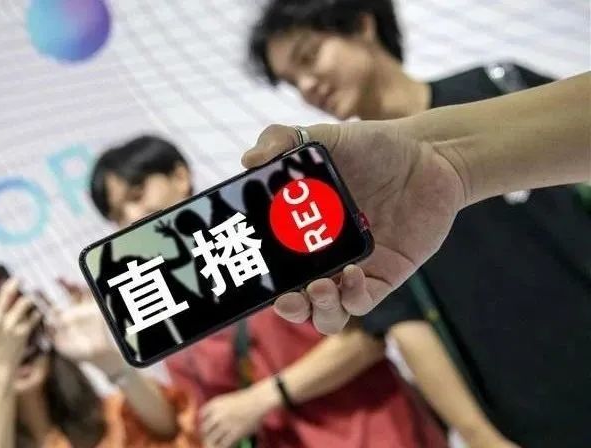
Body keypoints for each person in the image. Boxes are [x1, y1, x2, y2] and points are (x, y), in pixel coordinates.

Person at [242, 72, 591, 447]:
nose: (308, 84)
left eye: (308, 56)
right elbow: (406, 328)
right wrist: (479, 435)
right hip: (532, 411)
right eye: (294, 80)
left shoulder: (494, 79)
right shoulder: (366, 199)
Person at [89, 135, 447, 448]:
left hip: (375, 432)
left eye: (137, 194)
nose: (132, 216)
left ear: (179, 176)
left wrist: (263, 398)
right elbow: (201, 413)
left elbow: (367, 335)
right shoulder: (167, 303)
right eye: (117, 214)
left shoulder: (273, 228)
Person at [0, 266, 200, 448]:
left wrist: (110, 361)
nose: (17, 349)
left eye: (23, 325)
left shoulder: (111, 419)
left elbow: (178, 434)